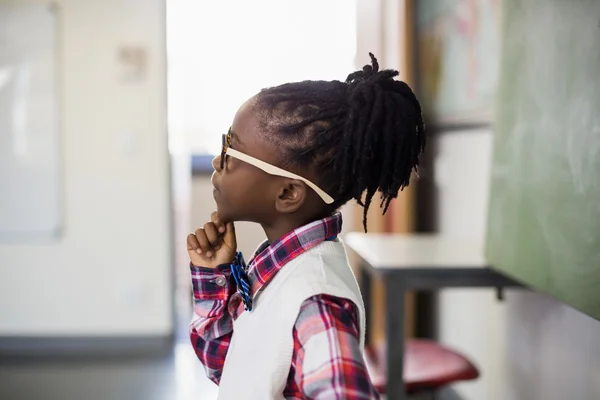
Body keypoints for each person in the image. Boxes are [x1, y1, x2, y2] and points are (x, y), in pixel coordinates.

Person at [186, 53, 425, 399]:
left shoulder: (316, 301)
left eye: (231, 152)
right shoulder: (278, 271)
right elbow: (233, 370)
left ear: (287, 193)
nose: (216, 161)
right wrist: (215, 278)